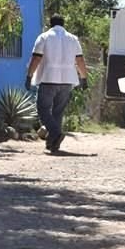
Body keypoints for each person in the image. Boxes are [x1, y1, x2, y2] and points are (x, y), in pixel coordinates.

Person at [25, 14, 89, 153]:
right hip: (67, 81)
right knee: (58, 112)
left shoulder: (44, 37)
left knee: (43, 110)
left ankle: (55, 133)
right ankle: (53, 144)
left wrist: (29, 76)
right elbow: (80, 61)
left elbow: (36, 58)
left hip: (48, 79)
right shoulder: (73, 39)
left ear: (50, 24)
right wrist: (84, 78)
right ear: (63, 24)